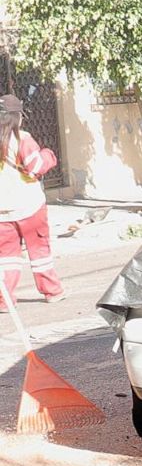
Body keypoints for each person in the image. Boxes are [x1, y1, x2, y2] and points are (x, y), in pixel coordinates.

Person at [0, 94, 64, 308]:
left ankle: (4, 299)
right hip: (29, 206)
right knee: (39, 251)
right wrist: (48, 154)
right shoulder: (21, 139)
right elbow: (36, 166)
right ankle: (52, 291)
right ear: (17, 117)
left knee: (7, 256)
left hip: (2, 211)